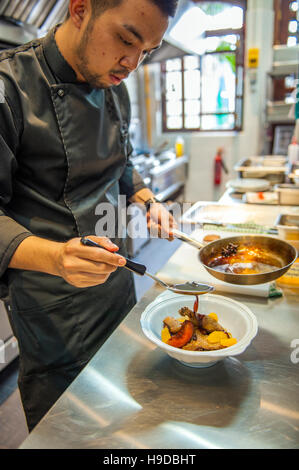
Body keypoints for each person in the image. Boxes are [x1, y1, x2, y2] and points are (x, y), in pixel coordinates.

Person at [0, 0, 178, 432]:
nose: (132, 63)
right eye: (126, 39)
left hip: (116, 280)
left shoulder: (113, 83)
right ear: (80, 10)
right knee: (67, 425)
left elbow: (122, 162)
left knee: (124, 407)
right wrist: (58, 258)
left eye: (147, 51)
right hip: (52, 301)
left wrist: (146, 198)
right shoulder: (10, 87)